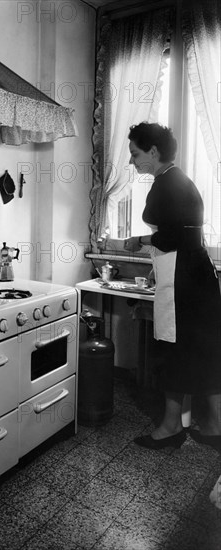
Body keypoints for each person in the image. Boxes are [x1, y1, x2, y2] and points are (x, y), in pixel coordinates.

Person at [123, 122, 221, 451]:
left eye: (136, 153)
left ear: (153, 151)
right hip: (194, 274)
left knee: (173, 350)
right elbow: (187, 234)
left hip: (182, 279)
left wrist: (138, 240)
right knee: (204, 350)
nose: (133, 161)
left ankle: (170, 428)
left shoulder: (166, 184)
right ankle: (215, 426)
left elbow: (173, 236)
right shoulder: (179, 181)